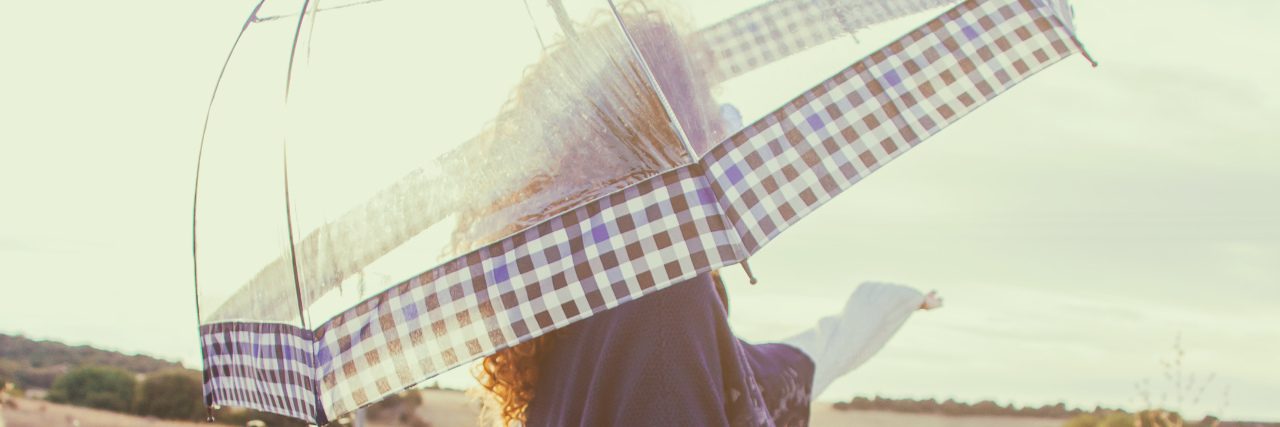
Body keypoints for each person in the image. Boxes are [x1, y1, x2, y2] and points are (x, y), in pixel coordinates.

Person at [447, 5, 943, 426]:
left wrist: (893, 303)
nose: (725, 119)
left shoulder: (570, 301)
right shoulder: (662, 299)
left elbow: (778, 365)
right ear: (668, 127)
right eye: (706, 100)